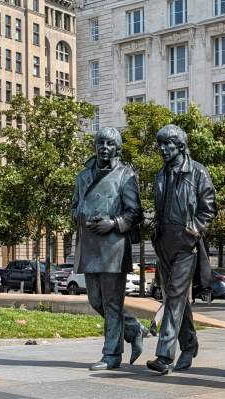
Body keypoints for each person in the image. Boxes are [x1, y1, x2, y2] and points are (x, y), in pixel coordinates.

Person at [71, 127, 145, 370]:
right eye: (100, 142)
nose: (104, 147)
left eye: (109, 143)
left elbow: (135, 213)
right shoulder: (83, 176)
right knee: (95, 300)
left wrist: (113, 223)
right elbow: (75, 205)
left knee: (112, 303)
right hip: (90, 244)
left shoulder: (126, 176)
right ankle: (134, 329)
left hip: (113, 246)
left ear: (117, 148)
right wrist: (80, 216)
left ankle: (112, 355)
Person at [146, 125, 217, 375]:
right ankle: (189, 344)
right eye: (161, 145)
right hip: (164, 239)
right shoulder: (160, 174)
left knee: (175, 294)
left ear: (180, 146)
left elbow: (208, 208)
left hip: (186, 241)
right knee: (175, 297)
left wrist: (194, 230)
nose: (164, 149)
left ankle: (164, 355)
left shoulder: (197, 172)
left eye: (168, 144)